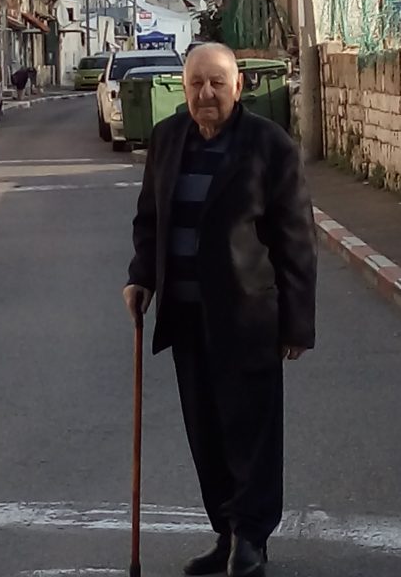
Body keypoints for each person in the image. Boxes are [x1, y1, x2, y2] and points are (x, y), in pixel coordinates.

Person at [123, 43, 317, 577]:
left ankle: (251, 538)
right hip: (186, 319)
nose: (206, 93)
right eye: (196, 83)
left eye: (216, 83)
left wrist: (297, 323)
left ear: (238, 86)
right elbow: (150, 220)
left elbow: (296, 239)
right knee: (205, 434)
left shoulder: (269, 145)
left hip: (248, 319)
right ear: (184, 88)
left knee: (250, 436)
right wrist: (141, 277)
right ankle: (227, 532)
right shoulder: (167, 139)